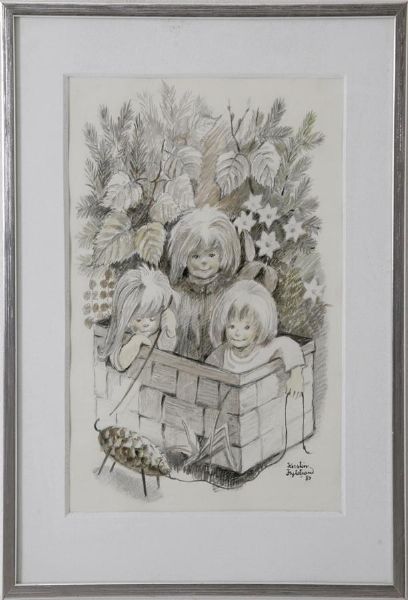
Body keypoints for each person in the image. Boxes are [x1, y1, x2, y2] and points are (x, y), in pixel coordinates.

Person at [168, 206, 241, 361]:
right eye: (195, 256)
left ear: (223, 255)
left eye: (211, 255)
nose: (204, 262)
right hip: (180, 366)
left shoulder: (231, 293)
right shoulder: (176, 295)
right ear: (184, 258)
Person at [206, 280, 304, 395]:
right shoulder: (223, 352)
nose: (237, 333)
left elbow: (289, 345)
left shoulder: (266, 348)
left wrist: (296, 375)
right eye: (232, 326)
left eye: (246, 327)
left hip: (264, 400)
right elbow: (206, 371)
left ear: (259, 328)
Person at [100, 265, 177, 371]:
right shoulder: (124, 334)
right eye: (138, 319)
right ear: (125, 316)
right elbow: (120, 363)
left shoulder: (156, 333)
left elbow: (166, 354)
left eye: (152, 318)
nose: (146, 323)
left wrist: (169, 332)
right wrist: (136, 341)